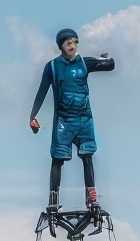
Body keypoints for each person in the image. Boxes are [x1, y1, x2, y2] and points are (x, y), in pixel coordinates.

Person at [29, 29, 116, 211]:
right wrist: (34, 117)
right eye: (68, 43)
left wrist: (105, 58)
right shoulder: (53, 67)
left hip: (84, 119)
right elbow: (42, 90)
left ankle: (91, 198)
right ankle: (53, 198)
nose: (72, 46)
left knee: (87, 156)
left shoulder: (84, 63)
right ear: (61, 46)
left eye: (75, 43)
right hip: (64, 120)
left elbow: (109, 65)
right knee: (58, 158)